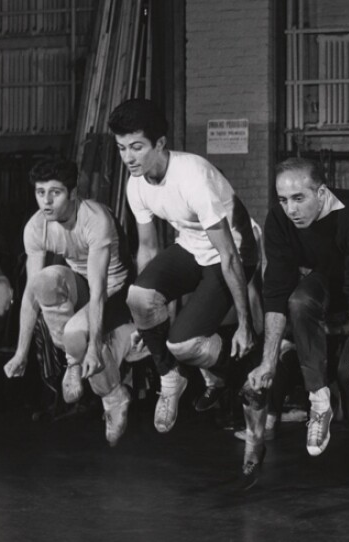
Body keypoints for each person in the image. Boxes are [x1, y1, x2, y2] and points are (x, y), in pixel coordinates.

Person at [242, 157, 349, 500]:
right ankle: (319, 399)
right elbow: (276, 292)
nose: (290, 209)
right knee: (299, 302)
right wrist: (267, 361)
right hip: (331, 275)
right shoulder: (280, 220)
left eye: (299, 198)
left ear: (322, 192)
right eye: (283, 200)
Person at [107, 99, 257, 434]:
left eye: (136, 147)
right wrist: (146, 324)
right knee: (138, 297)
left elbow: (230, 255)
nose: (128, 158)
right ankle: (170, 378)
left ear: (159, 144)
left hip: (234, 251)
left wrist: (245, 323)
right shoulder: (136, 183)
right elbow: (147, 249)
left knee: (183, 344)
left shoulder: (193, 177)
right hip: (191, 246)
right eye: (121, 148)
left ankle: (236, 365)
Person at [3, 157, 134, 446]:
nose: (46, 201)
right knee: (43, 281)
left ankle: (114, 397)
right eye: (40, 192)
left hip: (118, 290)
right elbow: (30, 294)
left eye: (55, 192)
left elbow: (100, 291)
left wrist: (92, 347)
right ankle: (72, 359)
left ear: (73, 193)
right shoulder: (36, 227)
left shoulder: (96, 219)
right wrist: (21, 352)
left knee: (77, 333)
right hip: (84, 284)